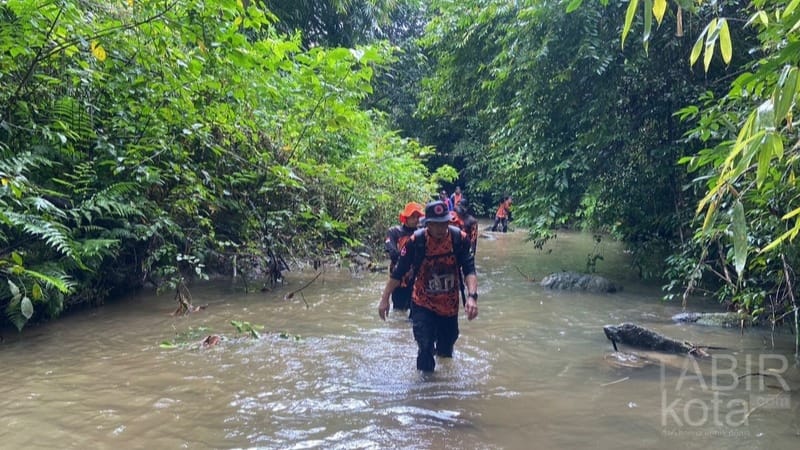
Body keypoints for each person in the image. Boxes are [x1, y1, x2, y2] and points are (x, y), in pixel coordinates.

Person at [378, 200, 479, 372]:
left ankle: (444, 388)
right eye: (436, 225)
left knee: (445, 353)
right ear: (428, 224)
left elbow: (469, 269)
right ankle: (425, 392)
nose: (441, 229)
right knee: (425, 348)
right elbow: (398, 272)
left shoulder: (459, 239)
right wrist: (385, 298)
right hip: (422, 303)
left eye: (444, 224)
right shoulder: (416, 241)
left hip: (449, 306)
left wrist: (472, 297)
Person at [384, 202, 424, 314]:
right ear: (405, 217)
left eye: (418, 217)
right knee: (399, 310)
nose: (416, 219)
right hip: (398, 278)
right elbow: (391, 251)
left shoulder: (420, 234)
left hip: (416, 277)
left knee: (415, 309)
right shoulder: (394, 232)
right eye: (413, 217)